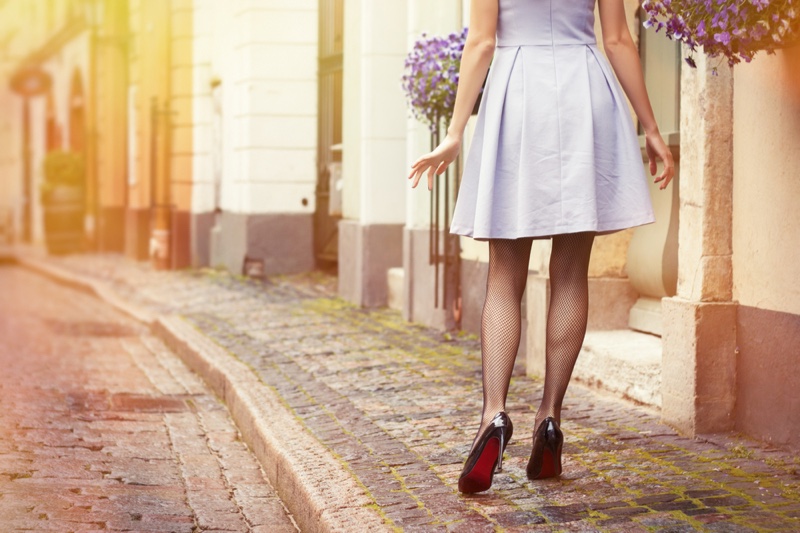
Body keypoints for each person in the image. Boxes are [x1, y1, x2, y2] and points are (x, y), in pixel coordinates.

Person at [407, 0, 675, 494]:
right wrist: (652, 129)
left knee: (505, 275)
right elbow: (617, 39)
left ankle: (494, 416)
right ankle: (550, 419)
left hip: (518, 97)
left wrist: (454, 133)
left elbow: (482, 42)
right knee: (570, 273)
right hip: (585, 93)